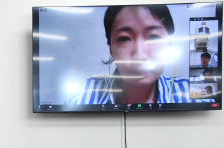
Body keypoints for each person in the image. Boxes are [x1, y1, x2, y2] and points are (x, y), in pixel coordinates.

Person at [67, 5, 212, 104]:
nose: (139, 56)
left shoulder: (195, 95)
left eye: (153, 37)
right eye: (124, 39)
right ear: (111, 47)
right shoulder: (85, 94)